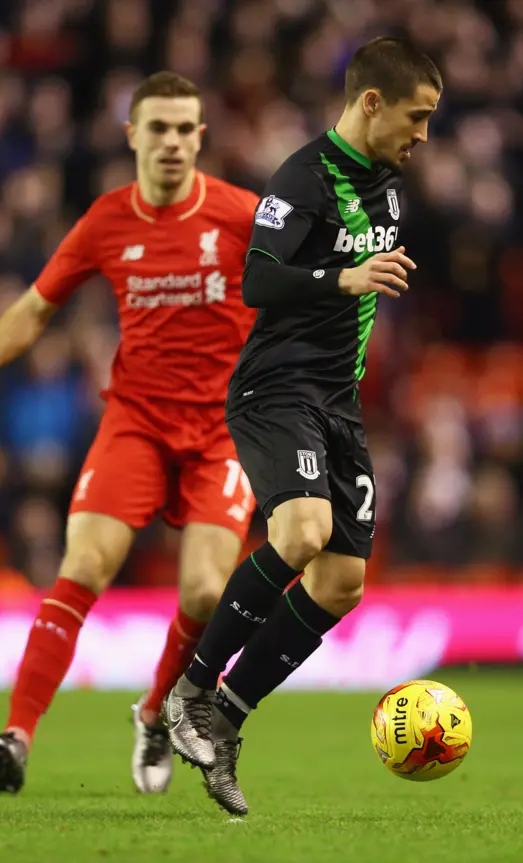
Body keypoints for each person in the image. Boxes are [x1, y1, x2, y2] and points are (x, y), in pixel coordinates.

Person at [0, 71, 259, 796]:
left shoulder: (241, 216)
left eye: (186, 129)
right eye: (159, 128)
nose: (173, 142)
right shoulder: (108, 220)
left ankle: (154, 711)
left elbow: (300, 284)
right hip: (137, 423)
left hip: (222, 430)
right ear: (132, 136)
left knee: (209, 593)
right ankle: (16, 735)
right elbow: (36, 304)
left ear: (200, 136)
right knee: (83, 564)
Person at [164, 37, 442, 816]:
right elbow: (257, 278)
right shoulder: (303, 176)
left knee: (342, 580)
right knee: (302, 528)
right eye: (417, 118)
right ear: (372, 102)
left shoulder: (388, 190)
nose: (423, 136)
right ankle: (190, 690)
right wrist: (343, 274)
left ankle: (227, 714)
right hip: (275, 388)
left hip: (336, 401)